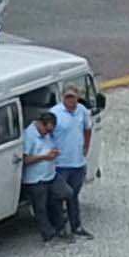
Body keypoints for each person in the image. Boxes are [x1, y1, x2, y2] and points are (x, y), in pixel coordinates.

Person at [47, 81, 97, 240]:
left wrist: (86, 147)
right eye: (68, 97)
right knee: (59, 196)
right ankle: (60, 228)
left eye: (73, 97)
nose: (71, 100)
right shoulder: (54, 113)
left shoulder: (82, 111)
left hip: (78, 163)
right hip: (61, 164)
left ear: (78, 97)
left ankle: (76, 226)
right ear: (63, 97)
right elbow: (47, 135)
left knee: (74, 196)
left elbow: (88, 129)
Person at [18, 108, 63, 239]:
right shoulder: (29, 136)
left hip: (49, 176)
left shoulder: (46, 134)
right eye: (47, 130)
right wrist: (44, 157)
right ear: (41, 124)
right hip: (35, 180)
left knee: (63, 194)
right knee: (40, 207)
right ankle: (47, 232)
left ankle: (57, 225)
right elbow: (24, 160)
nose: (47, 134)